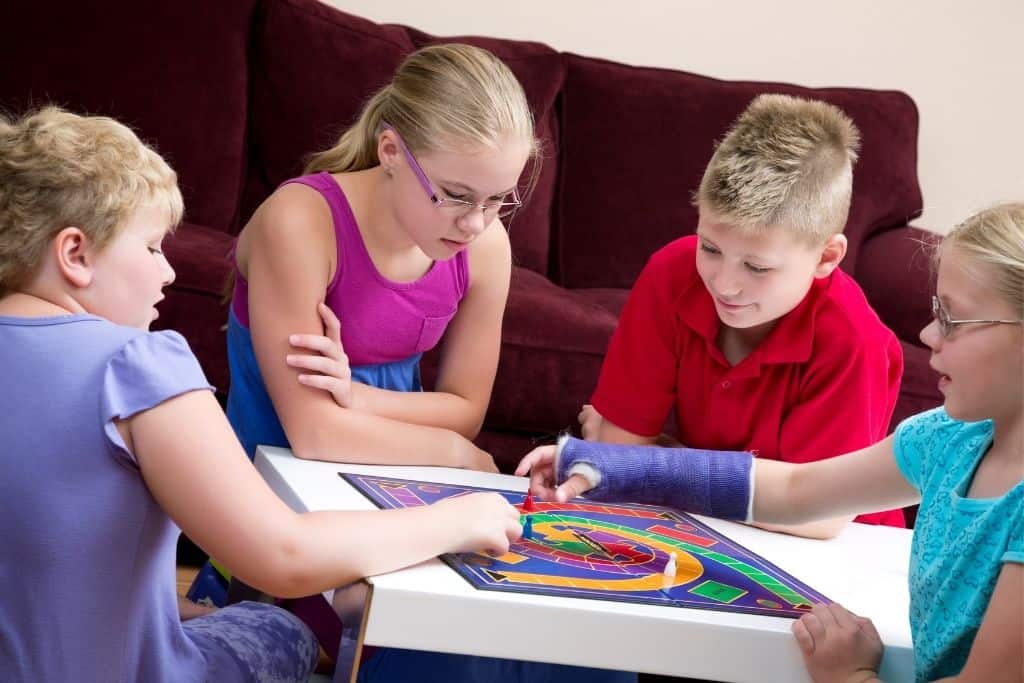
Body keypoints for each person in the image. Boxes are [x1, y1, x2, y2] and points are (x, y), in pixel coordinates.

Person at [0, 106, 525, 682]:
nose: (168, 273)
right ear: (75, 254)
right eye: (152, 248)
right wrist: (459, 518)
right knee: (277, 627)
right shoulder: (134, 367)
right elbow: (285, 557)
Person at [517, 202, 1024, 682]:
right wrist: (606, 466)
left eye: (955, 320)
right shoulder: (948, 439)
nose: (930, 333)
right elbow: (799, 488)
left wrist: (850, 675)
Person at [579, 93, 907, 537]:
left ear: (826, 256)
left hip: (848, 555)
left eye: (757, 267)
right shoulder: (671, 273)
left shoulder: (852, 340)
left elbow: (819, 516)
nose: (725, 284)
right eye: (710, 248)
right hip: (711, 528)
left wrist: (661, 461)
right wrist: (651, 464)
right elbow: (617, 456)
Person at [227, 43, 535, 472]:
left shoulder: (485, 247)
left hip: (391, 479)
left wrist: (357, 396)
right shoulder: (299, 223)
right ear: (391, 151)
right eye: (457, 197)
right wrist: (456, 454)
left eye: (498, 199)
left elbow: (466, 412)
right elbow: (315, 433)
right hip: (271, 490)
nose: (476, 224)